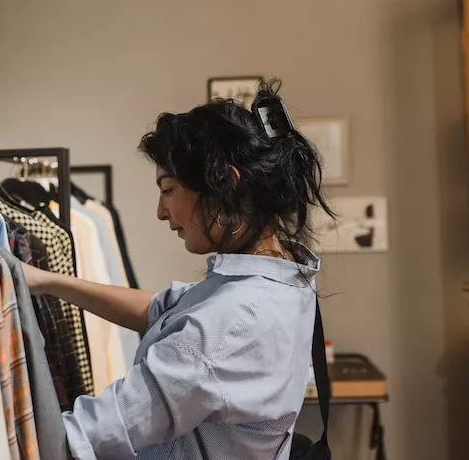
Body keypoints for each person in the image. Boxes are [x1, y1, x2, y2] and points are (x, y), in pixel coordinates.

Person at [21, 81, 335, 460]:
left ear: (226, 186)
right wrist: (49, 281)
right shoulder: (282, 276)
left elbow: (94, 431)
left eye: (168, 190)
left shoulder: (231, 320)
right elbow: (160, 308)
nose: (161, 211)